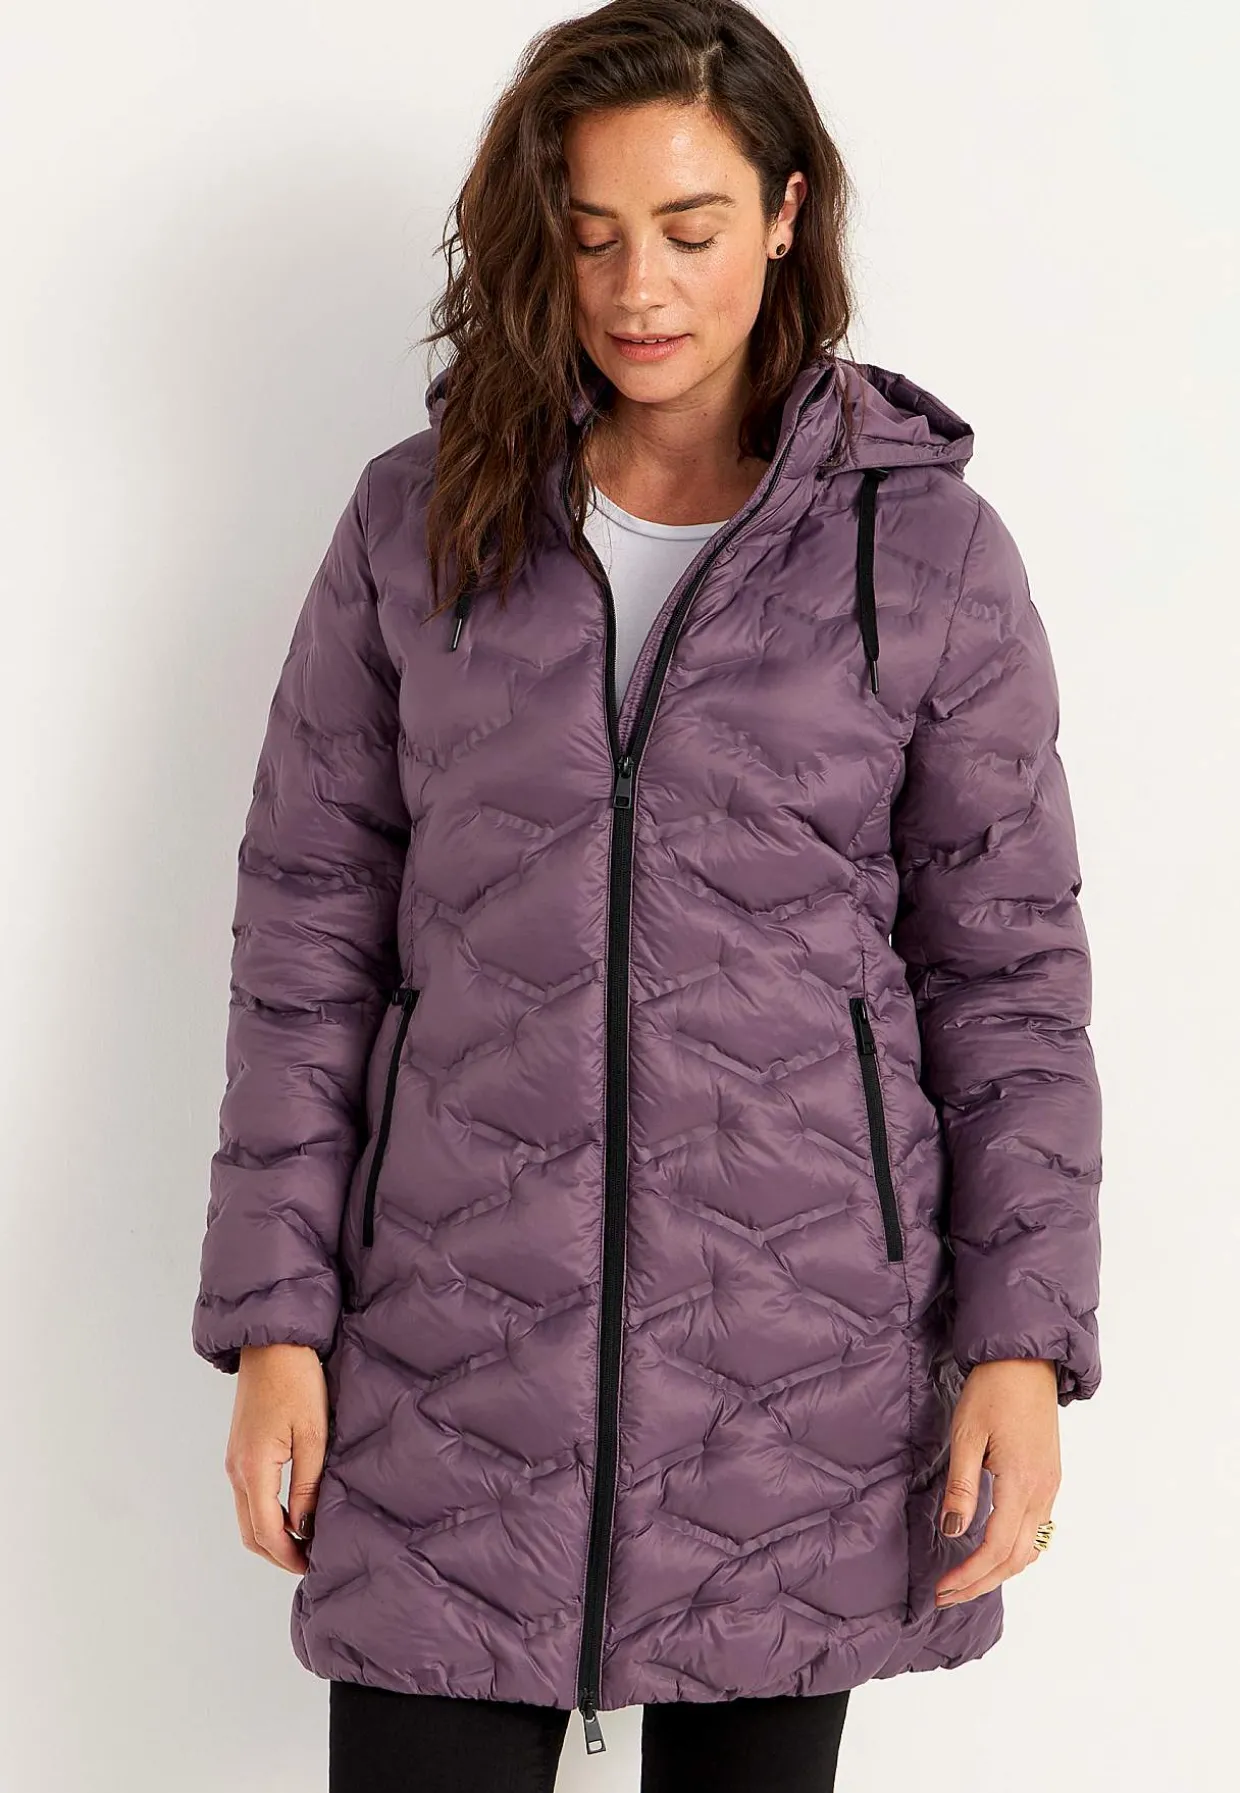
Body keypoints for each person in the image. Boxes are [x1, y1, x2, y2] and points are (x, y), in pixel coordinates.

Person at [192, 2, 1104, 1788]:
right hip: (450, 1346)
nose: (638, 290)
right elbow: (305, 938)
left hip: (799, 1366)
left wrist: (1020, 1343)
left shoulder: (920, 552)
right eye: (592, 234)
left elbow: (1006, 981)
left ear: (786, 212)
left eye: (691, 229)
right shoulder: (419, 524)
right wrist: (277, 1324)